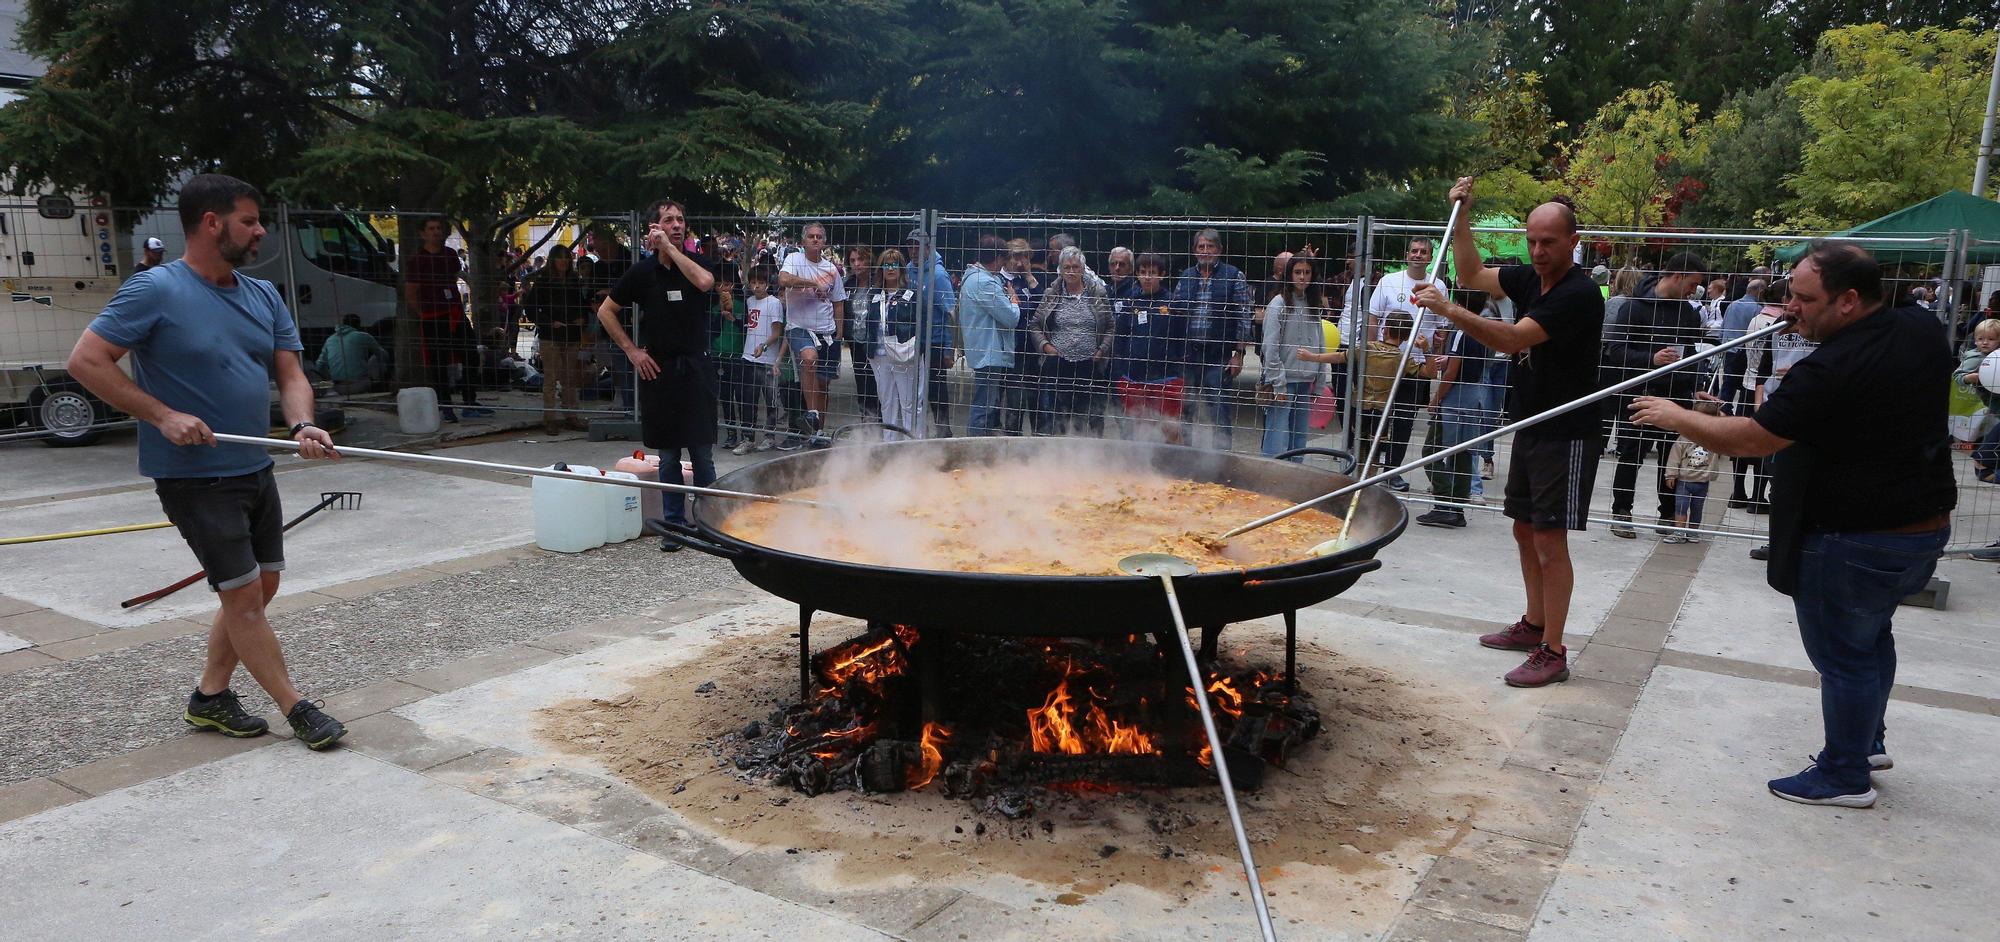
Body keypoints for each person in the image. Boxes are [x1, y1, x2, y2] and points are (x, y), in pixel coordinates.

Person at [1630, 241, 1955, 808]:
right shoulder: (1920, 328)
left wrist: (1675, 414)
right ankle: (1866, 741)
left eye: (1803, 299)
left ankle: (1844, 774)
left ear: (1850, 300)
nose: (1787, 310)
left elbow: (1755, 439)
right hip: (1920, 529)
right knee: (1872, 637)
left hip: (1857, 537)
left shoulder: (1831, 367)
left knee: (1844, 655)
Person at [64, 173, 348, 750]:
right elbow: (87, 361)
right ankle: (298, 708)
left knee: (260, 587)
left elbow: (290, 373)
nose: (260, 230)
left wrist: (301, 424)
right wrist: (162, 414)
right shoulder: (155, 290)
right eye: (249, 220)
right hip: (193, 475)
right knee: (242, 597)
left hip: (253, 467)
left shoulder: (263, 295)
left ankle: (210, 696)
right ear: (212, 223)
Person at [1425, 176, 1606, 688]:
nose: (1538, 250)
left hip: (1566, 430)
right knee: (1524, 528)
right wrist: (1462, 215)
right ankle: (1534, 624)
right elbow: (1470, 271)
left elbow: (1510, 340)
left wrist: (1448, 310)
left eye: (1549, 241)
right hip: (1531, 422)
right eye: (1532, 240)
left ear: (1574, 241)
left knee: (1550, 537)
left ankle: (1554, 649)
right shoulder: (1529, 278)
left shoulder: (1579, 293)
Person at [594, 199, 718, 548]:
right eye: (668, 220)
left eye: (680, 219)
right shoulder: (642, 273)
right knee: (667, 455)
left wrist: (671, 250)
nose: (677, 224)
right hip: (659, 371)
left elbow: (706, 283)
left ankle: (710, 522)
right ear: (655, 227)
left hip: (696, 367)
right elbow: (607, 311)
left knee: (702, 452)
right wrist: (632, 351)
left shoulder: (696, 263)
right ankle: (675, 525)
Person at [1602, 253, 1708, 539]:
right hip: (1640, 394)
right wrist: (1652, 358)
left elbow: (1692, 354)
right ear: (1677, 275)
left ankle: (1668, 515)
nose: (1694, 291)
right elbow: (1616, 351)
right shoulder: (1633, 307)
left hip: (1677, 396)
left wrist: (1695, 383)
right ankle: (1622, 512)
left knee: (1671, 458)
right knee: (1630, 455)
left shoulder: (1688, 312)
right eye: (1693, 284)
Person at [1296, 312, 1429, 476]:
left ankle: (1355, 479)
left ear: (1384, 329)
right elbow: (1429, 372)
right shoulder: (1403, 358)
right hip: (1382, 412)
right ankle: (1368, 481)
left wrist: (1312, 357)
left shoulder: (1366, 348)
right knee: (1373, 452)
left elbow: (1338, 356)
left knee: (1357, 447)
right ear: (1407, 337)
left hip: (1359, 408)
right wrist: (1426, 350)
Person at [1365, 238, 1445, 491]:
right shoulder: (1388, 282)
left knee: (1404, 419)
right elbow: (1373, 320)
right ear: (1406, 254)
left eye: (1424, 252)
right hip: (1385, 363)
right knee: (1376, 416)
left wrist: (1435, 356)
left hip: (1416, 366)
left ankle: (1393, 470)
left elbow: (1441, 329)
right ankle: (1370, 467)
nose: (1418, 255)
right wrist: (1370, 354)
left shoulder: (1438, 286)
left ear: (1431, 257)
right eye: (1414, 251)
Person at [1414, 291, 1497, 529]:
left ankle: (1444, 503)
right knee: (1463, 451)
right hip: (1475, 393)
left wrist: (1436, 398)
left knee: (1433, 450)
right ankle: (1457, 507)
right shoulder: (1482, 329)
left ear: (1460, 305)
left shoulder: (1462, 332)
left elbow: (1452, 373)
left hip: (1457, 396)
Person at [1172, 228, 1253, 448]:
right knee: (1185, 408)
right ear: (1194, 250)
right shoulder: (1186, 277)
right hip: (1190, 355)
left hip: (1218, 356)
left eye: (1210, 247)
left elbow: (1244, 317)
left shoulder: (1234, 276)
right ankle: (1185, 455)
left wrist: (1239, 354)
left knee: (1218, 409)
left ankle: (1223, 458)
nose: (1205, 251)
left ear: (1219, 250)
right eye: (1201, 247)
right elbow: (1176, 314)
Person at [405, 217, 488, 422]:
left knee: (471, 355)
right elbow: (411, 292)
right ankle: (445, 405)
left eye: (438, 228)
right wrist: (424, 312)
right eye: (431, 228)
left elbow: (451, 280)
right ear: (423, 233)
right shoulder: (417, 260)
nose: (435, 232)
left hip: (456, 314)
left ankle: (469, 400)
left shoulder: (450, 255)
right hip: (433, 317)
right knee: (438, 363)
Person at [1031, 245, 1114, 435]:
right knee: (1057, 418)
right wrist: (1046, 347)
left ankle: (1091, 457)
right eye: (1066, 267)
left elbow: (1110, 326)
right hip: (1059, 365)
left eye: (1075, 267)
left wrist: (1102, 350)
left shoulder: (1097, 294)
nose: (1071, 271)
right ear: (1060, 269)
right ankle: (1059, 457)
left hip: (1089, 366)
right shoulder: (1051, 295)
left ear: (1083, 269)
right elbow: (1035, 325)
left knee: (1091, 417)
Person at [776, 222, 845, 446]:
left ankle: (819, 433)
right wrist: (811, 282)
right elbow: (783, 280)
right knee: (808, 359)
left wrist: (839, 335)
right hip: (799, 327)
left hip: (826, 330)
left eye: (819, 237)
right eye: (811, 237)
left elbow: (838, 303)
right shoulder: (794, 260)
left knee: (823, 386)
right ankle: (812, 411)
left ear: (824, 242)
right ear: (803, 241)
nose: (815, 240)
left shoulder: (832, 269)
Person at [1113, 252, 1187, 443]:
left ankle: (1175, 466)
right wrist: (1123, 368)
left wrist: (1178, 367)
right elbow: (1120, 339)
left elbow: (1181, 339)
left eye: (1152, 272)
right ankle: (1145, 467)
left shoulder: (1173, 303)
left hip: (1167, 376)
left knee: (1170, 427)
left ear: (1161, 275)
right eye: (1143, 272)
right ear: (1137, 274)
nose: (1147, 277)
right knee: (1143, 426)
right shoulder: (1131, 303)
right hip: (1136, 376)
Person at [1258, 254, 1326, 458]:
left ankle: (1296, 481)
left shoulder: (1314, 304)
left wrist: (1320, 380)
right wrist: (1278, 383)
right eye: (1298, 272)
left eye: (1307, 272)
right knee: (1277, 438)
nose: (1302, 277)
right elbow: (1270, 346)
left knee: (1299, 440)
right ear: (1289, 274)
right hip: (1284, 381)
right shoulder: (1278, 304)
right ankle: (1270, 481)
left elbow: (1320, 342)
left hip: (1305, 381)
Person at [524, 244, 592, 434]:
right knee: (551, 379)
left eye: (566, 258)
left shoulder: (574, 281)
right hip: (550, 336)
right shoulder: (543, 281)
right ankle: (550, 418)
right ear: (553, 260)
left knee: (570, 377)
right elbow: (530, 308)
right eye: (560, 257)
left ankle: (571, 415)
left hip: (571, 335)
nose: (563, 261)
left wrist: (583, 318)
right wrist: (547, 322)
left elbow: (583, 305)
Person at [959, 234, 1022, 436]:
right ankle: (975, 452)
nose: (1002, 267)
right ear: (996, 258)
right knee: (983, 407)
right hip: (989, 351)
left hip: (984, 349)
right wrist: (1013, 300)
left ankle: (979, 449)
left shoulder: (973, 278)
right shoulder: (984, 283)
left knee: (986, 405)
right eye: (1003, 261)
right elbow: (1011, 318)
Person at [863, 249, 924, 441]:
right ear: (881, 269)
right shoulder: (873, 295)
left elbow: (919, 326)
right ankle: (889, 444)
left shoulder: (911, 295)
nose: (891, 268)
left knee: (910, 403)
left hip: (904, 356)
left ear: (901, 268)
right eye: (887, 264)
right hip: (879, 356)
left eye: (895, 264)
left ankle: (913, 443)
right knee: (887, 403)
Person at [904, 228, 958, 437]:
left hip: (935, 342)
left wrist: (948, 350)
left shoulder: (939, 275)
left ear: (928, 248)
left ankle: (944, 432)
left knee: (936, 390)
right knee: (914, 390)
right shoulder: (908, 270)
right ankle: (918, 432)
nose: (914, 249)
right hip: (913, 341)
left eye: (918, 245)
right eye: (911, 245)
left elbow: (951, 315)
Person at [737, 265, 787, 453]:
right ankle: (748, 438)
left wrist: (764, 346)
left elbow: (777, 331)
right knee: (748, 400)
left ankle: (769, 436)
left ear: (767, 284)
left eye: (760, 283)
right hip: (748, 357)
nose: (756, 286)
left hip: (767, 359)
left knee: (770, 401)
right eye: (753, 282)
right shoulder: (749, 301)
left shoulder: (774, 303)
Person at [586, 225, 636, 414]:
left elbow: (634, 290)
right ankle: (621, 396)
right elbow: (590, 294)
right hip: (606, 322)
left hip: (629, 321)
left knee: (630, 361)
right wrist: (597, 305)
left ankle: (634, 403)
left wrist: (612, 294)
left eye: (596, 241)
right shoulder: (597, 267)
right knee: (614, 362)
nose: (595, 246)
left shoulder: (629, 260)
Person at [1661, 399, 1723, 543]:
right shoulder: (1684, 438)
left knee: (1697, 509)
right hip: (1684, 480)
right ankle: (1679, 532)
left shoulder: (1713, 438)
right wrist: (1671, 474)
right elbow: (1674, 456)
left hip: (1703, 482)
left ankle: (1693, 532)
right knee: (1681, 507)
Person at [1001, 238, 1044, 435]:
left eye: (1025, 257)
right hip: (1013, 350)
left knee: (1036, 401)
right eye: (1016, 257)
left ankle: (1038, 444)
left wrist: (1029, 276)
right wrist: (1025, 306)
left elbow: (1043, 305)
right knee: (1015, 402)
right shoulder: (1000, 281)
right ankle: (1012, 441)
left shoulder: (1026, 280)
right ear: (1006, 258)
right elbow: (1014, 313)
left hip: (1033, 349)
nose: (1020, 262)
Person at [1961, 318, 2000, 489]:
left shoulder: (1996, 354)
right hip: (1993, 398)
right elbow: (1958, 376)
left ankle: (1984, 462)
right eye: (1981, 339)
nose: (1985, 343)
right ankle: (1983, 463)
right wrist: (1970, 377)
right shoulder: (1975, 357)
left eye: (1991, 339)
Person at [842, 244, 879, 417]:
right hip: (856, 342)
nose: (856, 264)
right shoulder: (848, 284)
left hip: (875, 343)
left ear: (869, 260)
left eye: (861, 259)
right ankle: (866, 422)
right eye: (852, 260)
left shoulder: (878, 282)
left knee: (877, 384)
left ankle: (880, 423)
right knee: (862, 383)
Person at [314, 313, 387, 394]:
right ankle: (380, 384)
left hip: (337, 387)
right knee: (376, 358)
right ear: (359, 325)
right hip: (360, 385)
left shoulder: (330, 340)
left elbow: (319, 365)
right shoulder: (363, 336)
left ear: (343, 323)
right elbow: (383, 355)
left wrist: (329, 378)